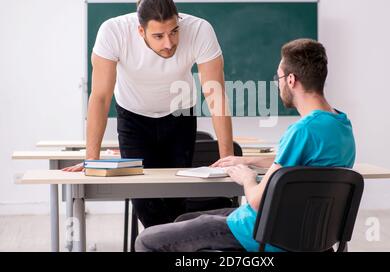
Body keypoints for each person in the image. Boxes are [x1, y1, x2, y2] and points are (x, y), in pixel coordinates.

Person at [134, 38, 356, 252]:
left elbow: (258, 201)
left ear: (291, 80)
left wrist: (247, 178)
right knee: (185, 219)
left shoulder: (303, 130)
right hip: (308, 233)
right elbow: (301, 168)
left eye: (277, 78)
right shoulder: (341, 125)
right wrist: (248, 160)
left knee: (147, 240)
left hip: (261, 233)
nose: (278, 86)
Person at [63, 0, 234, 228]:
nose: (169, 43)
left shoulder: (199, 30)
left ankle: (169, 243)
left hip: (179, 115)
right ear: (140, 31)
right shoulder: (113, 32)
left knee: (176, 199)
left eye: (174, 31)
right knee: (144, 201)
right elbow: (100, 98)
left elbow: (216, 96)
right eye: (158, 36)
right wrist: (91, 159)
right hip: (133, 117)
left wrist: (227, 159)